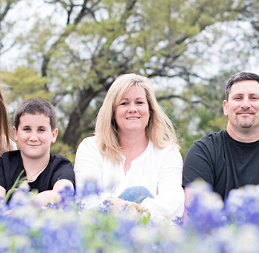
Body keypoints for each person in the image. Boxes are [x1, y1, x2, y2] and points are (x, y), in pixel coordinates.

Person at [74, 74, 184, 220]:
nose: (132, 109)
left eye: (139, 102)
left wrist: (134, 212)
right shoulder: (91, 148)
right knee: (137, 193)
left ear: (150, 111)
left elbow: (173, 201)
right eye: (124, 103)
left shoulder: (168, 153)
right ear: (113, 112)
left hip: (150, 236)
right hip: (101, 234)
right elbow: (88, 200)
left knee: (139, 193)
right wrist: (123, 207)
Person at [182, 72, 259, 201]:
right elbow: (194, 214)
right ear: (226, 107)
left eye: (253, 98)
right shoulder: (204, 151)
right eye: (238, 98)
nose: (245, 104)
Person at [0, 99, 75, 204]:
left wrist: (25, 207)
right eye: (27, 129)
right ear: (16, 133)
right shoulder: (4, 164)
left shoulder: (61, 165)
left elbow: (63, 193)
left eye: (41, 130)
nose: (33, 137)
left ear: (53, 135)